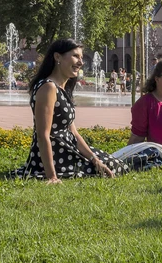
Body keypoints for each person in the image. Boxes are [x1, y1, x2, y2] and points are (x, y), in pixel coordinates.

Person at [12, 39, 129, 182]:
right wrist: (52, 176)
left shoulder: (61, 88)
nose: (81, 62)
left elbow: (73, 132)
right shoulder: (48, 88)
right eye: (75, 56)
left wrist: (94, 159)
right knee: (117, 167)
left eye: (81, 57)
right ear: (57, 57)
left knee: (114, 164)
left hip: (69, 150)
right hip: (57, 156)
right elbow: (43, 135)